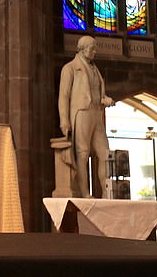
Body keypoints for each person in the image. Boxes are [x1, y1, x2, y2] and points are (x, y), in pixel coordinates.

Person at [58, 35, 114, 198]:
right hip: (82, 113)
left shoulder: (95, 69)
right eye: (92, 48)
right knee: (82, 153)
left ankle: (106, 192)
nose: (95, 51)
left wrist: (105, 100)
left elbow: (96, 92)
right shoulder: (70, 68)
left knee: (105, 153)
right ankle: (84, 193)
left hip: (96, 113)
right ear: (82, 49)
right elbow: (64, 96)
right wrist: (64, 120)